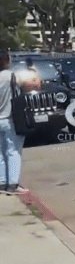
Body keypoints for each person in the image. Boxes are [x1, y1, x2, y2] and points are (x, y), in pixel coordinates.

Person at [0, 52, 27, 195]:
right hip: (10, 118)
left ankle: (2, 182)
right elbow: (26, 86)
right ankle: (13, 184)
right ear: (5, 61)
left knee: (0, 152)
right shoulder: (11, 76)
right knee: (13, 151)